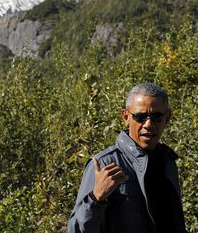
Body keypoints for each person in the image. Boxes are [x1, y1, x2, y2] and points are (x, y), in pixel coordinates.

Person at [67, 82, 186, 233]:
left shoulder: (168, 163)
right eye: (140, 117)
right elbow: (75, 230)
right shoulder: (104, 164)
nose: (148, 124)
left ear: (167, 118)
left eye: (156, 117)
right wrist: (95, 199)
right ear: (125, 117)